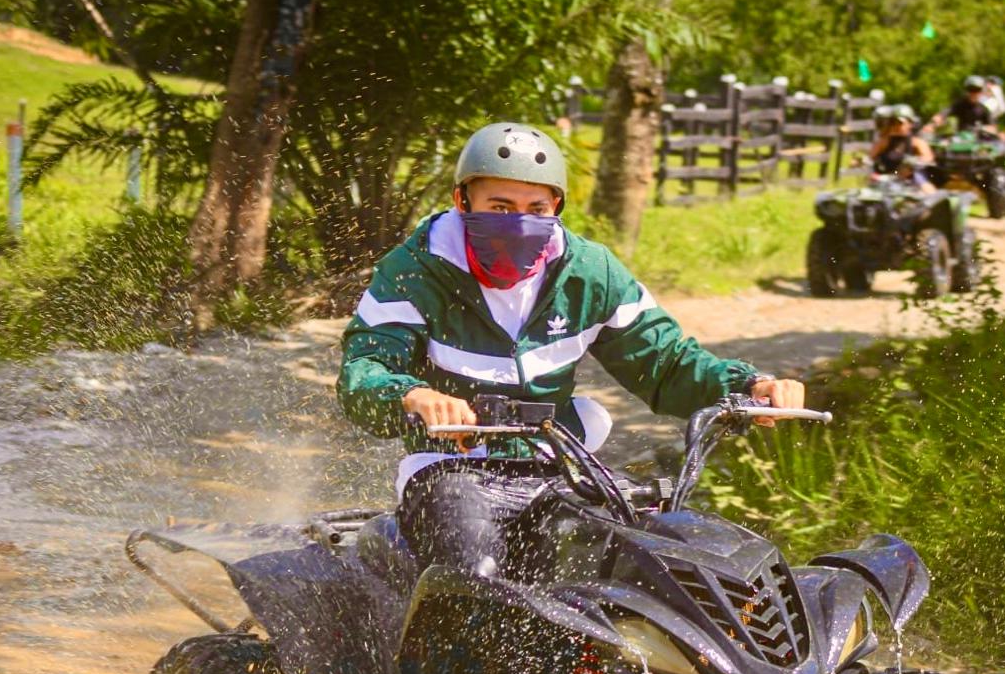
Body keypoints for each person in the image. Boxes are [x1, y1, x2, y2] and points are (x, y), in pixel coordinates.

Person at [337, 122, 805, 577]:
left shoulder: (590, 273)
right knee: (477, 577)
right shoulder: (413, 271)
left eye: (535, 208)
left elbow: (666, 364)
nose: (518, 222)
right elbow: (365, 368)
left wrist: (750, 386)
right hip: (450, 470)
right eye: (499, 207)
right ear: (462, 200)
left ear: (556, 206)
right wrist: (413, 396)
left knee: (644, 565)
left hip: (558, 463)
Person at [869, 104, 937, 193]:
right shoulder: (885, 141)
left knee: (919, 177)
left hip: (911, 180)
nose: (896, 126)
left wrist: (913, 162)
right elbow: (870, 158)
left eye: (900, 123)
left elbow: (928, 157)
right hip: (888, 178)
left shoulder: (916, 142)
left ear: (910, 124)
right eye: (893, 123)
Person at [924, 75, 996, 134]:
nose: (973, 93)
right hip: (960, 139)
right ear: (966, 90)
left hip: (979, 142)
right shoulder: (959, 104)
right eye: (970, 89)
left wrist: (983, 128)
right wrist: (932, 125)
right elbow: (943, 114)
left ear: (981, 92)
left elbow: (992, 128)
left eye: (977, 90)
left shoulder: (983, 109)